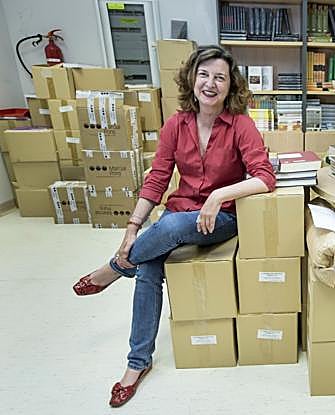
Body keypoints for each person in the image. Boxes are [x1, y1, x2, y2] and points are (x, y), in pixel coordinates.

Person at [72, 45, 276, 407]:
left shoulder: (240, 125)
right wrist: (132, 227)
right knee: (150, 266)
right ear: (192, 79)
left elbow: (265, 177)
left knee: (170, 227)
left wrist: (219, 196)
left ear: (230, 86)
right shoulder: (175, 125)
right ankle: (137, 363)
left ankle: (116, 268)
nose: (210, 83)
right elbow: (157, 179)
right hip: (180, 212)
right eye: (204, 74)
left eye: (220, 77)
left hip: (222, 219)